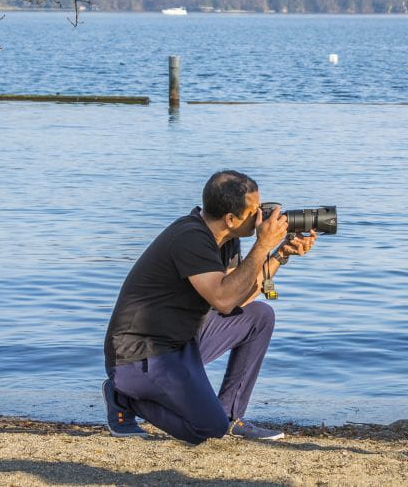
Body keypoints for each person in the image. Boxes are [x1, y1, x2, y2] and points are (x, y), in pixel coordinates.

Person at [102, 170, 316, 442]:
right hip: (141, 354)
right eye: (254, 211)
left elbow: (238, 298)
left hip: (182, 341)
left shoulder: (227, 239)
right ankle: (123, 397)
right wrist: (262, 246)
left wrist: (280, 255)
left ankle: (229, 416)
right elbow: (223, 299)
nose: (261, 217)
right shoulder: (190, 237)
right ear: (230, 218)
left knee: (260, 315)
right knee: (206, 429)